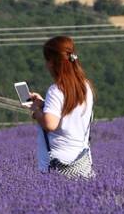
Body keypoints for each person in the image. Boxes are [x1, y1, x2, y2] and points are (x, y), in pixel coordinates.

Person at [28, 35, 95, 179]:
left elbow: (50, 124)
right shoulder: (85, 86)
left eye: (47, 60)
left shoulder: (57, 89)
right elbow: (70, 112)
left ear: (52, 62)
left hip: (57, 166)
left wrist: (36, 111)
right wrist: (45, 104)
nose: (46, 65)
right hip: (82, 163)